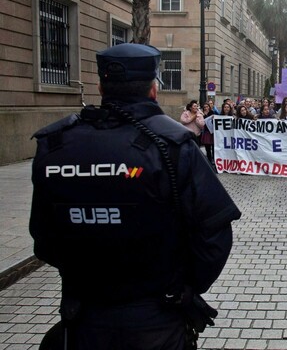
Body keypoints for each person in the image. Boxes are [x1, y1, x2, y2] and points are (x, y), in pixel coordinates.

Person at [29, 43, 241, 350]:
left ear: (101, 86)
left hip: (85, 318)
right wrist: (185, 285)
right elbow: (215, 232)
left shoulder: (55, 144)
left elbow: (43, 238)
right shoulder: (175, 146)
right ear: (153, 90)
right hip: (157, 319)